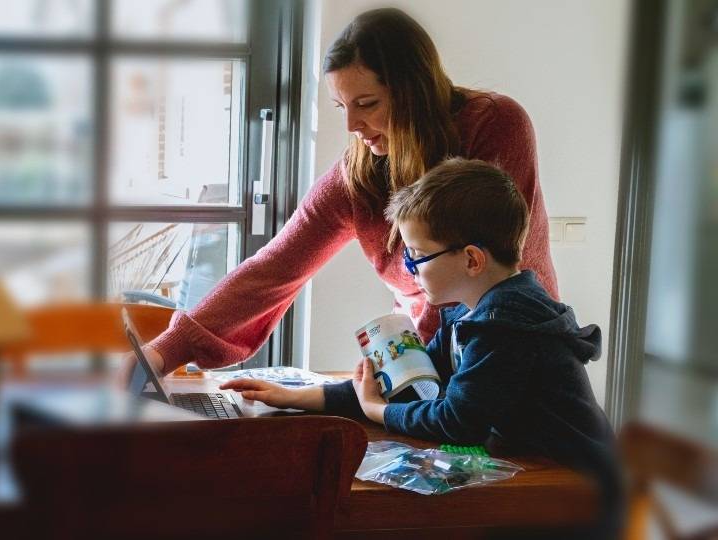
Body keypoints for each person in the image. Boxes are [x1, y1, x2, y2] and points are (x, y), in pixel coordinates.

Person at [129, 8, 560, 408]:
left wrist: (393, 382)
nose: (352, 126)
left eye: (367, 104)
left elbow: (473, 275)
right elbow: (274, 267)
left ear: (413, 92)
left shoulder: (495, 124)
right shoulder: (358, 173)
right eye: (342, 106)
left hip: (509, 358)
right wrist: (163, 351)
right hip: (420, 367)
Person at [228, 159, 621, 538]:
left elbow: (457, 422)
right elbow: (411, 380)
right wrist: (296, 397)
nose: (408, 269)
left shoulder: (504, 324)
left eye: (416, 256)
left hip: (575, 494)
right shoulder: (465, 312)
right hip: (540, 479)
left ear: (471, 260)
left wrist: (377, 411)